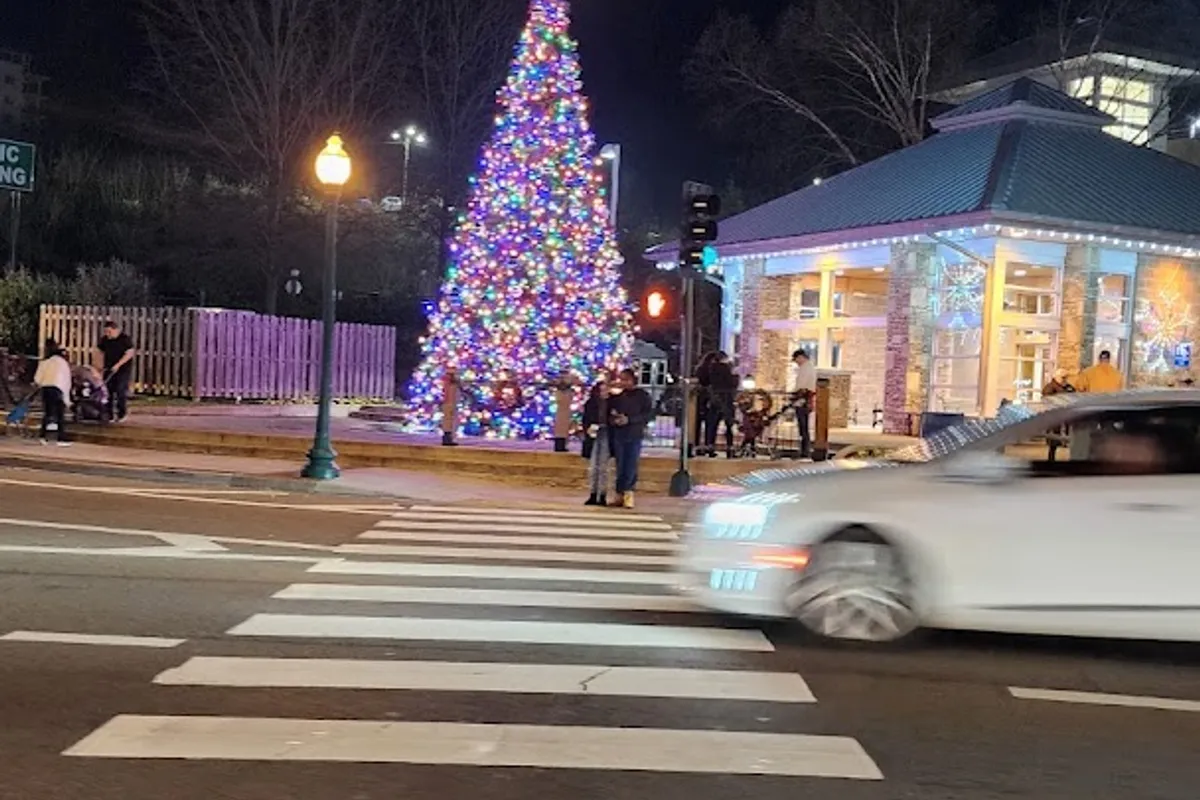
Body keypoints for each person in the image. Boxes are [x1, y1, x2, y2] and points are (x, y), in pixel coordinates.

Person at [608, 368, 653, 509]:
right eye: (621, 379)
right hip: (619, 434)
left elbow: (648, 414)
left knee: (631, 464)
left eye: (626, 379)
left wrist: (631, 420)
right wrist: (615, 419)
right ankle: (619, 493)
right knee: (620, 465)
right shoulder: (617, 396)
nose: (623, 383)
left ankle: (629, 493)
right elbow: (608, 412)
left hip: (634, 433)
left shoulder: (642, 396)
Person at [33, 339, 72, 446]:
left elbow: (37, 379)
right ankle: (61, 437)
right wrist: (67, 398)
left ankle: (42, 436)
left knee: (48, 413)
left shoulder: (45, 362)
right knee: (60, 414)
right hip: (58, 389)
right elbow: (66, 380)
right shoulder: (62, 363)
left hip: (46, 388)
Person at [581, 378, 613, 506]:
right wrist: (588, 428)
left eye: (606, 390)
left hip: (607, 433)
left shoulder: (612, 402)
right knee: (594, 466)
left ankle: (603, 494)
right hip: (594, 434)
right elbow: (586, 419)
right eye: (601, 390)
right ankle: (593, 493)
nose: (604, 392)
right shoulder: (591, 403)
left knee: (603, 467)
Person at [96, 321, 136, 422]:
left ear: (116, 330)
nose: (107, 334)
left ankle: (122, 413)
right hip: (108, 368)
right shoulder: (104, 340)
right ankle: (109, 414)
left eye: (109, 332)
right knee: (107, 391)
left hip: (123, 369)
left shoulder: (124, 339)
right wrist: (99, 367)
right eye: (106, 332)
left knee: (120, 390)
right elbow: (99, 352)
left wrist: (118, 365)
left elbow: (129, 353)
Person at [704, 351, 738, 458]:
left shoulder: (710, 369)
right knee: (728, 424)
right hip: (726, 398)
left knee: (713, 425)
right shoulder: (726, 369)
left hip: (715, 398)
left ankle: (710, 447)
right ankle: (729, 448)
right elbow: (732, 383)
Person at [786, 348, 816, 459]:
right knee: (803, 427)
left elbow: (802, 386)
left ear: (801, 357)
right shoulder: (808, 367)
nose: (796, 362)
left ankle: (805, 451)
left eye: (796, 359)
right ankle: (804, 450)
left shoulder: (806, 368)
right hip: (804, 400)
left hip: (803, 401)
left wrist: (795, 397)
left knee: (803, 427)